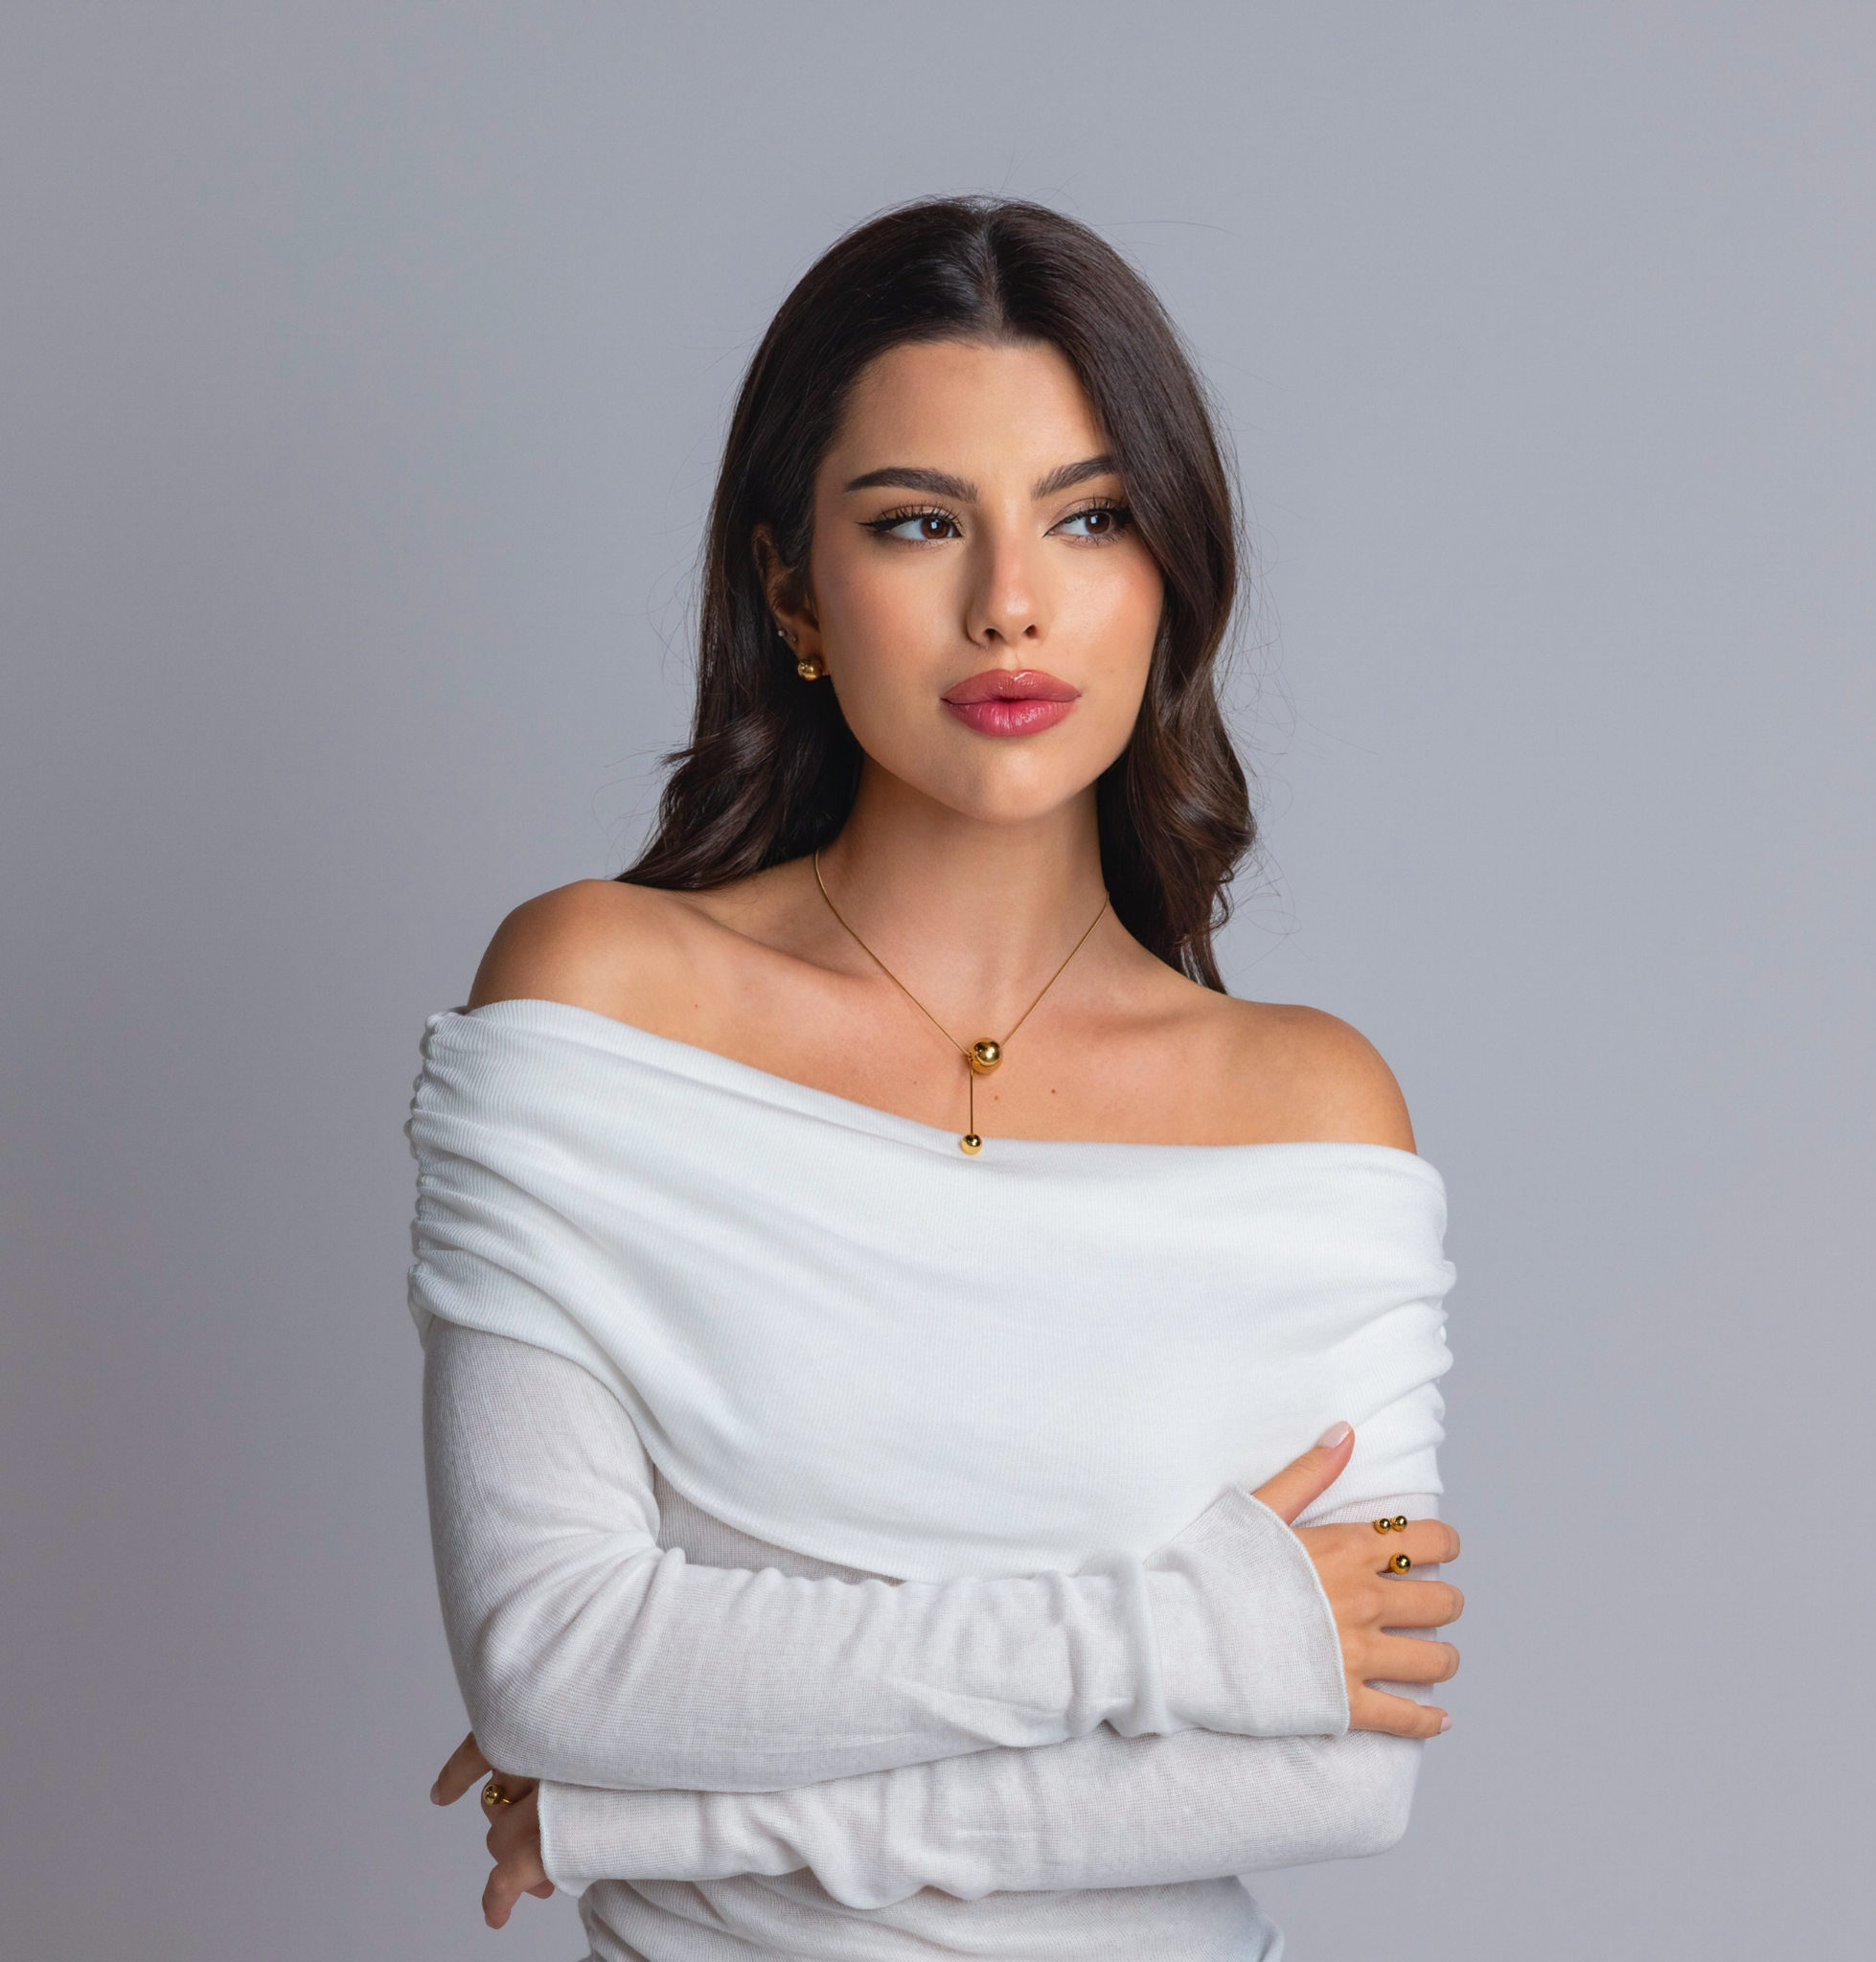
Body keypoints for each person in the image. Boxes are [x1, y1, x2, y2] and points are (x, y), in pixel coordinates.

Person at [410, 195, 1462, 1962]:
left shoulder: (1310, 1114)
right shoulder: (600, 1004)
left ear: (1169, 575)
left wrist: (649, 1813)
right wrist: (1175, 1640)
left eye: (1089, 516)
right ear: (788, 586)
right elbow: (559, 1668)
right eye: (917, 524)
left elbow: (1339, 1776)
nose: (1011, 605)